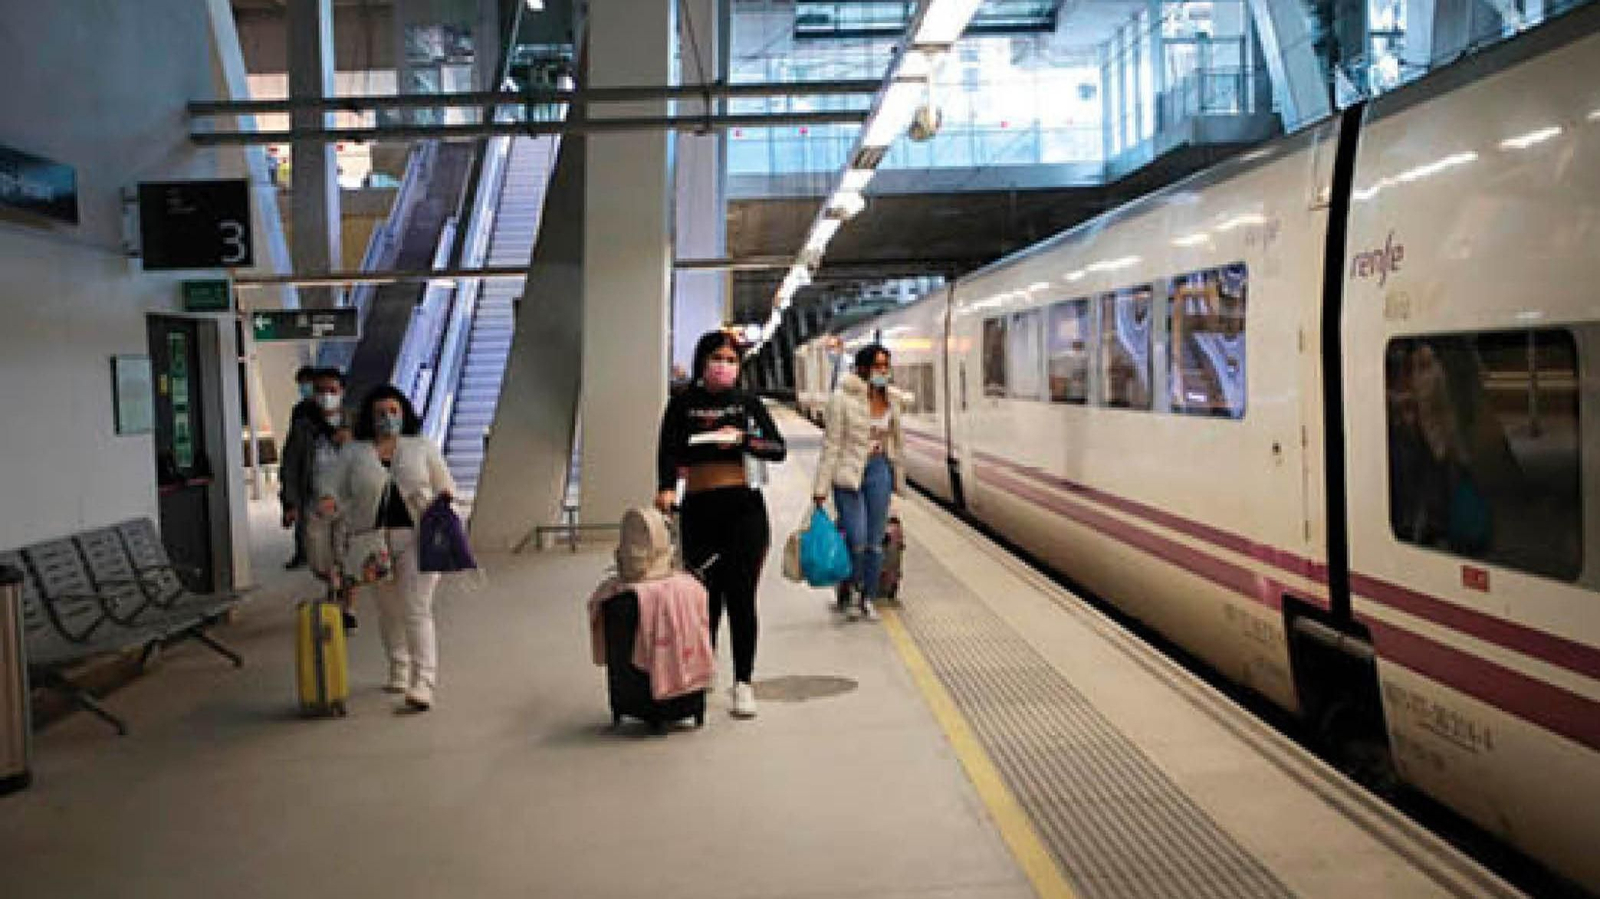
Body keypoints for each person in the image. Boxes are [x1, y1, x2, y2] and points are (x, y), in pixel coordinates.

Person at [655, 331, 787, 719]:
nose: (724, 366)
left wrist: (745, 440)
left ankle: (743, 682)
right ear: (702, 362)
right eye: (717, 358)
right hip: (699, 509)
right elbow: (667, 451)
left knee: (742, 598)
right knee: (704, 599)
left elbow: (777, 448)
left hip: (745, 510)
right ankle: (704, 671)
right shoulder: (682, 404)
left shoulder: (747, 404)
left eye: (731, 360)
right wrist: (665, 488)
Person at [321, 385, 457, 711]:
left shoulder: (421, 447)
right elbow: (331, 486)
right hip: (371, 541)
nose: (387, 418)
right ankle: (398, 665)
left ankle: (423, 682)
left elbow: (446, 484)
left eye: (394, 411)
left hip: (417, 539)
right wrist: (328, 501)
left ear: (404, 413)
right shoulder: (354, 453)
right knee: (388, 609)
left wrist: (443, 499)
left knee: (416, 607)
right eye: (380, 412)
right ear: (369, 416)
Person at [813, 344, 906, 622]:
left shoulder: (893, 400)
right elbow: (831, 445)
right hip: (848, 474)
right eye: (878, 365)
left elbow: (896, 441)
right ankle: (851, 589)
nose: (883, 371)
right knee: (857, 538)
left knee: (875, 542)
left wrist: (896, 473)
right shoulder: (841, 399)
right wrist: (820, 488)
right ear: (863, 367)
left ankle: (868, 596)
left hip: (878, 471)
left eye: (886, 366)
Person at [280, 365, 336, 569]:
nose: (304, 388)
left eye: (307, 384)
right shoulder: (300, 413)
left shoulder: (343, 417)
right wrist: (287, 500)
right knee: (305, 519)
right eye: (301, 385)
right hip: (308, 472)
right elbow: (292, 456)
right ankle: (304, 554)